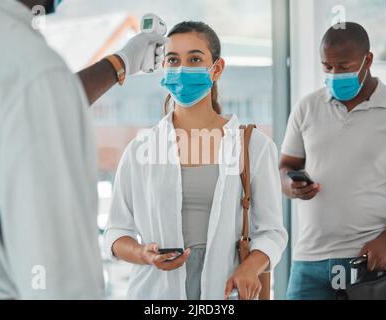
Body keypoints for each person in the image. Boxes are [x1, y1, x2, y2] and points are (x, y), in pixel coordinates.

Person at [0, 0, 166, 299]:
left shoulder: (14, 59)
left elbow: (41, 104)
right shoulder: (33, 70)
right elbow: (56, 278)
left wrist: (121, 62)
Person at [104, 21, 288, 300]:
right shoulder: (140, 149)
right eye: (173, 60)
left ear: (217, 68)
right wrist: (143, 254)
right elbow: (116, 232)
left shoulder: (254, 147)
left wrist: (250, 268)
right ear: (163, 68)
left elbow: (273, 232)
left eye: (195, 59)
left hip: (224, 292)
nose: (182, 69)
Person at [280, 22, 386, 300]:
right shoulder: (307, 106)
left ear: (368, 60)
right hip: (308, 262)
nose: (334, 74)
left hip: (372, 262)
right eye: (327, 67)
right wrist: (290, 185)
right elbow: (286, 166)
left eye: (344, 66)